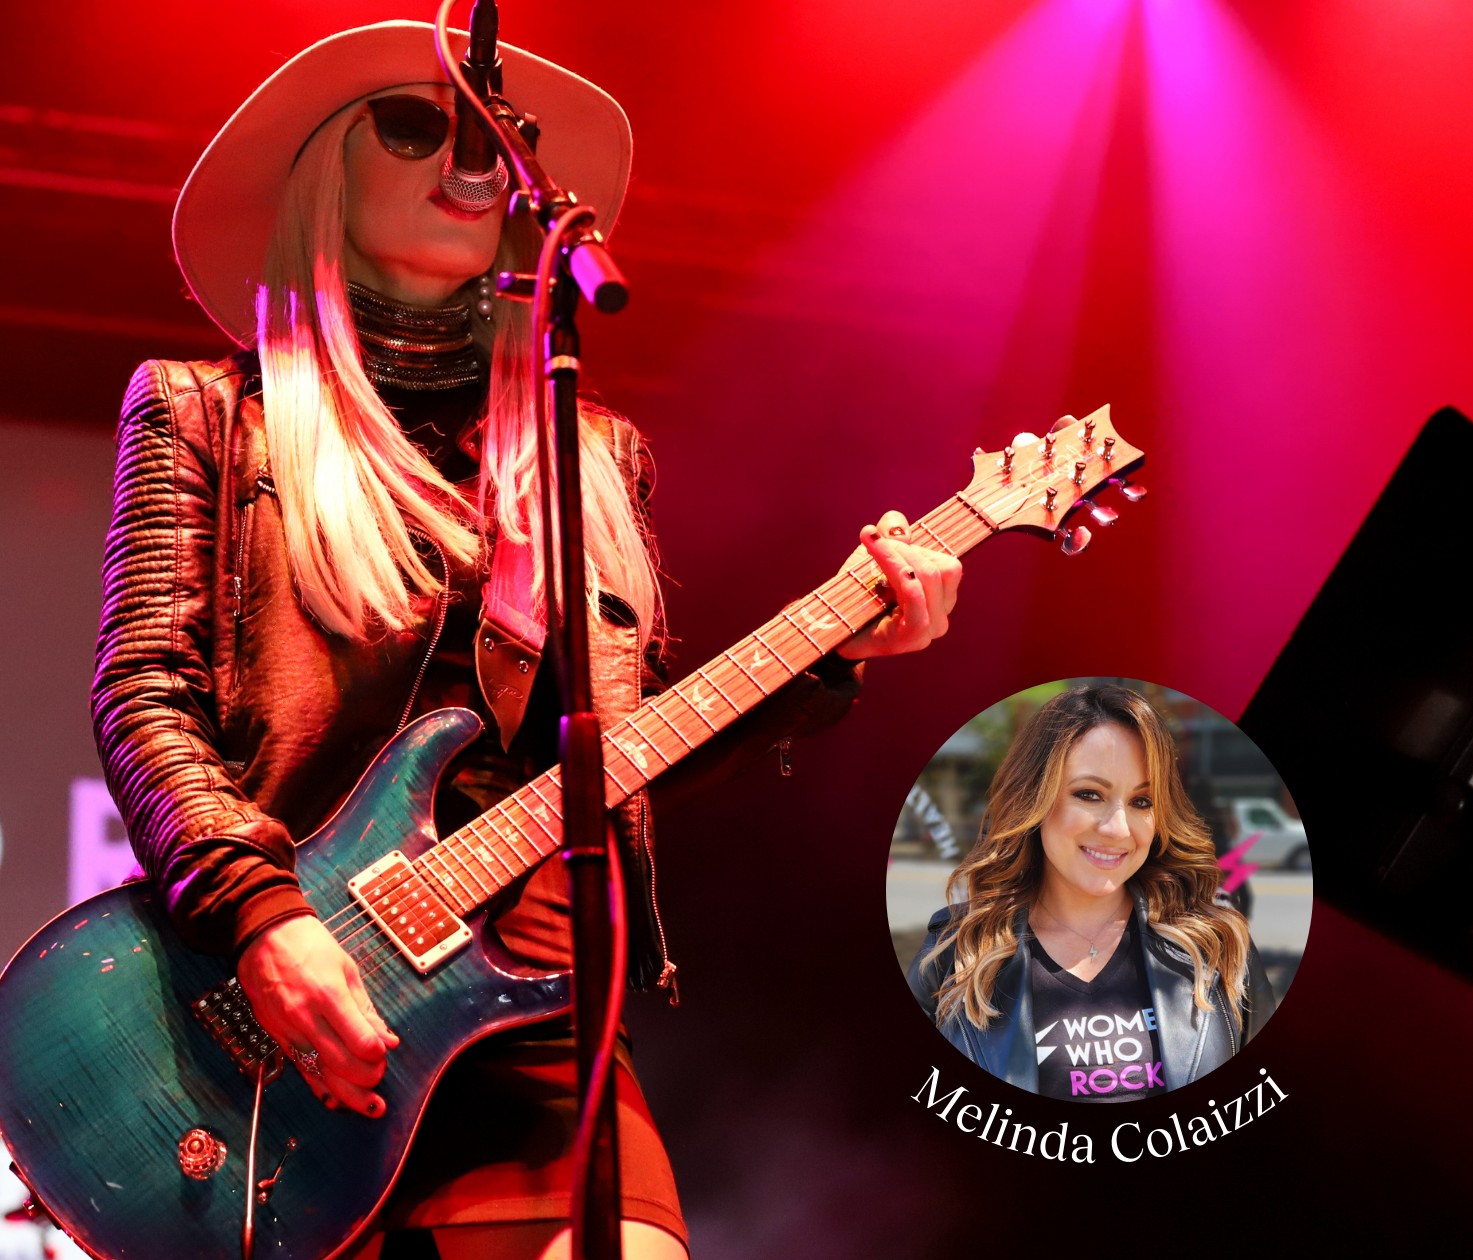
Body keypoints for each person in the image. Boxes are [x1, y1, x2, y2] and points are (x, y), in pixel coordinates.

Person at [94, 20, 962, 1260]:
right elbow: (145, 692)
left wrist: (835, 656)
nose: (467, 161)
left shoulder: (591, 455)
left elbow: (621, 749)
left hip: (534, 1002)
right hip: (278, 992)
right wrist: (260, 914)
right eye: (414, 126)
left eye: (495, 140)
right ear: (325, 173)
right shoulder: (202, 413)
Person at [907, 686, 1274, 1102]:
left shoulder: (1219, 945)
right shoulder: (956, 951)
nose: (1118, 829)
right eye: (1089, 794)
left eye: (1141, 801)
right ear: (1036, 800)